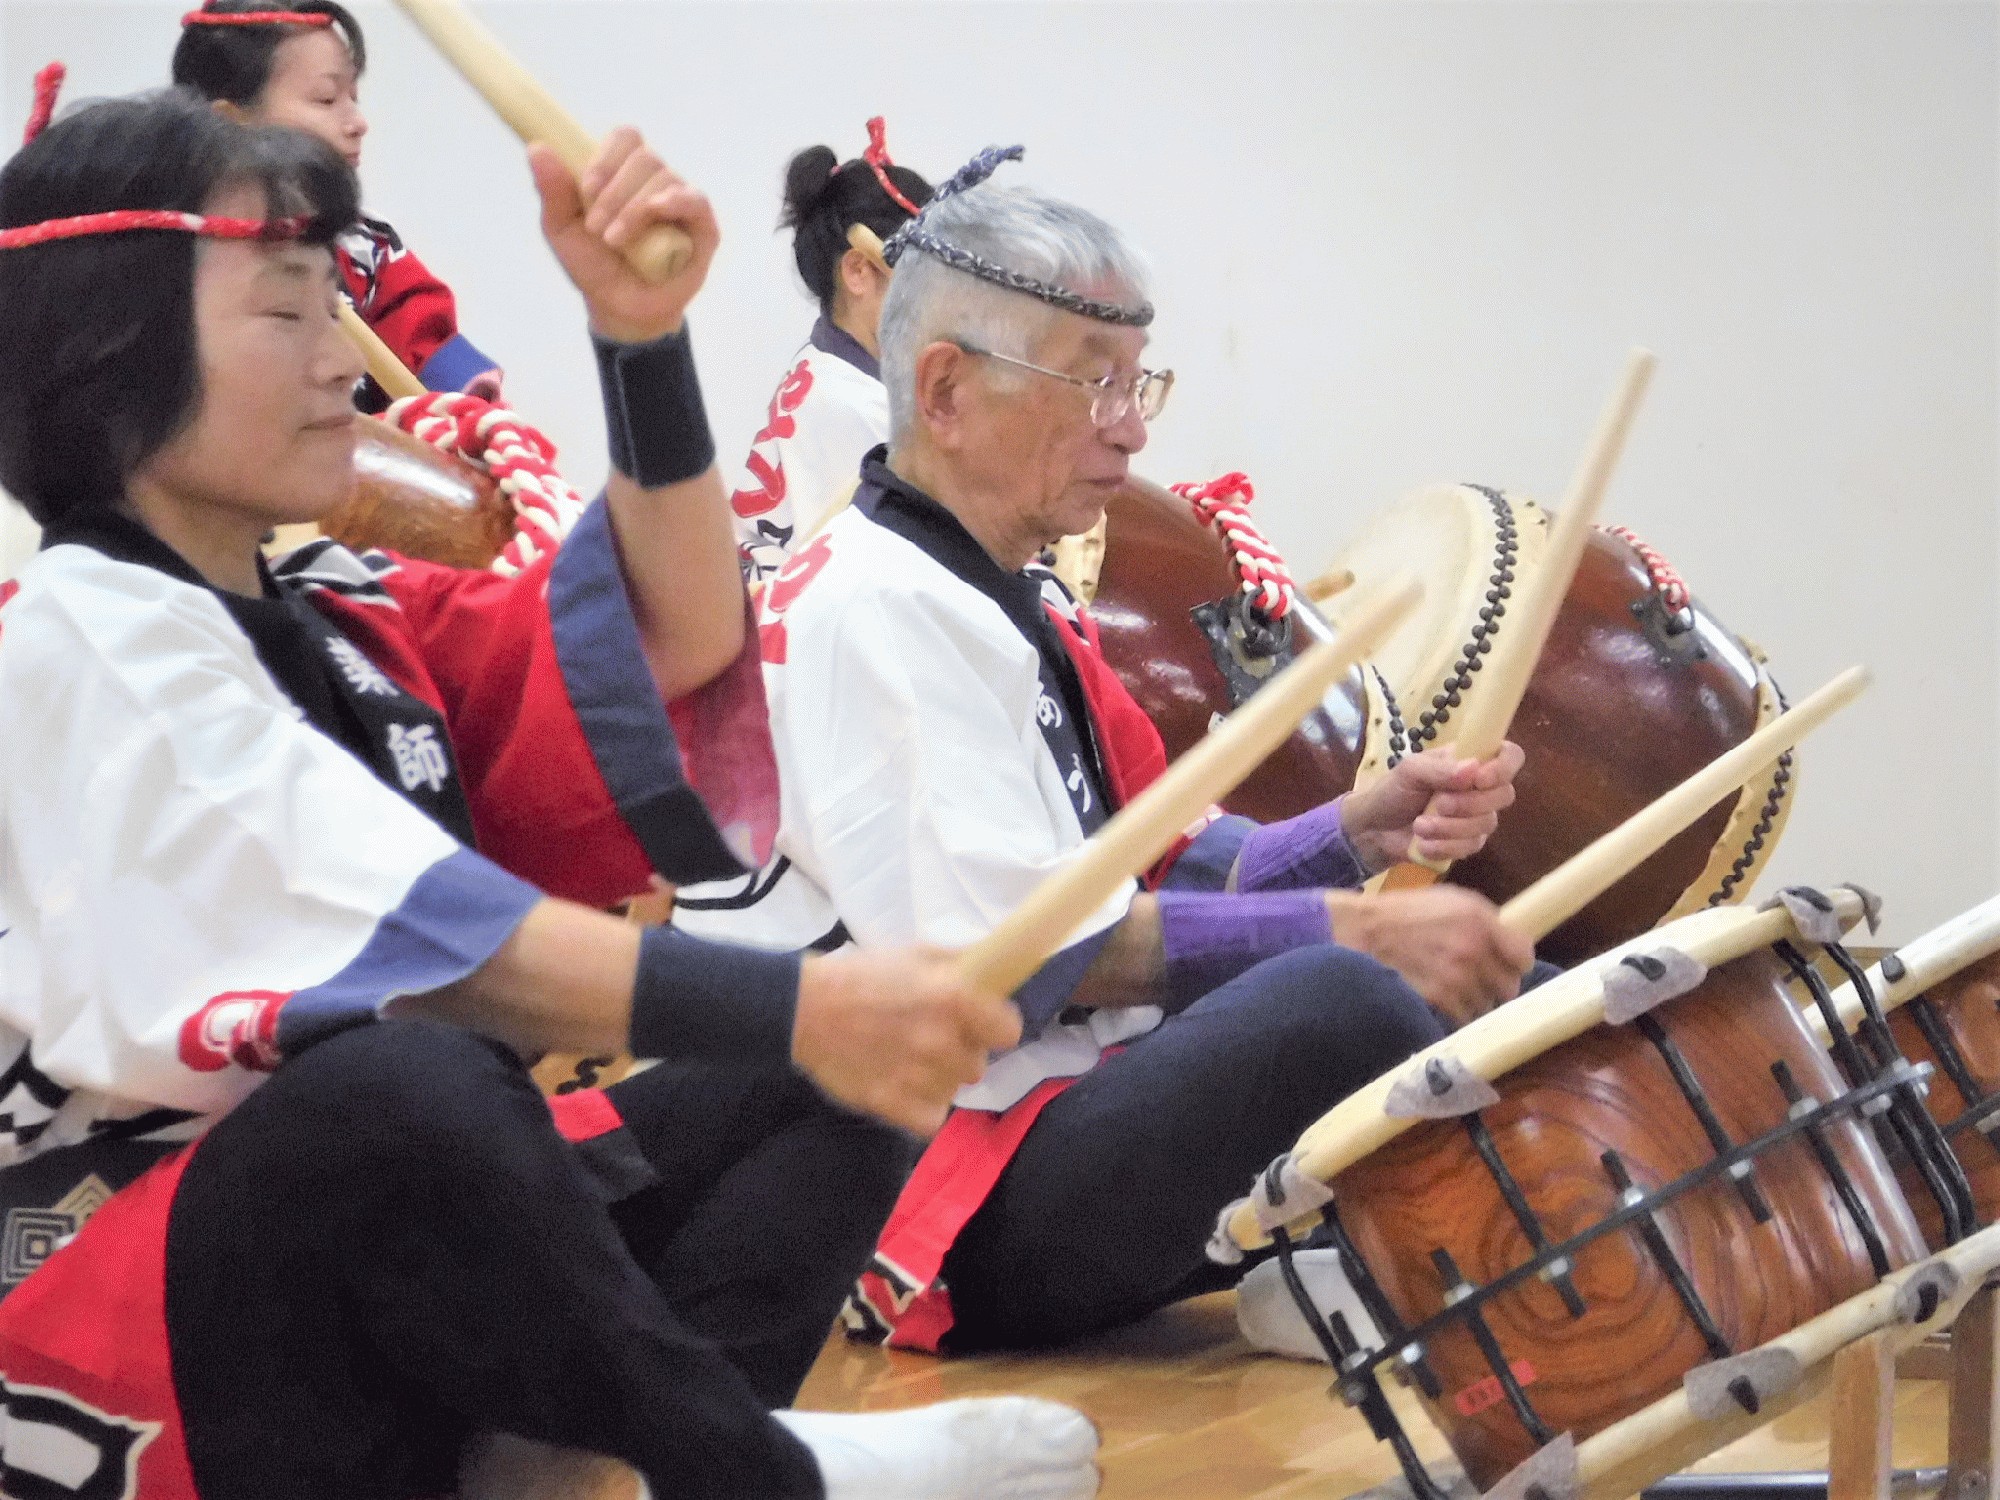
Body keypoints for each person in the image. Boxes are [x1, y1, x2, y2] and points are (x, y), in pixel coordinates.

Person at [0, 91, 1100, 1500]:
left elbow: (674, 638)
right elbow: (431, 945)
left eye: (335, 306)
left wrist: (640, 338)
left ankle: (603, 1466)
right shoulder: (73, 632)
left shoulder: (343, 618)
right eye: (285, 315)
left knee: (815, 1082)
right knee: (409, 1076)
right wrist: (814, 1003)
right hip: (121, 1297)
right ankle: (737, 1468)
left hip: (387, 1250)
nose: (345, 361)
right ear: (110, 349)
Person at [673, 149, 1537, 1357]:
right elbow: (1022, 959)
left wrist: (1358, 831)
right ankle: (1513, 1263)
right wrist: (1348, 928)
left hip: (1064, 1109)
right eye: (1093, 384)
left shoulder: (1003, 589)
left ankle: (1613, 1210)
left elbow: (1160, 860)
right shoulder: (871, 609)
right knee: (1345, 992)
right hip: (945, 1194)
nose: (1131, 432)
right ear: (944, 389)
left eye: (1142, 384)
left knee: (1521, 982)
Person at [174, 0, 503, 404]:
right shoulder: (177, 255)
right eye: (327, 100)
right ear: (230, 119)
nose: (357, 123)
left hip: (369, 454)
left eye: (354, 97)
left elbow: (425, 336)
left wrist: (469, 407)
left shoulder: (366, 243)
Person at [731, 119, 931, 582]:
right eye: (925, 271)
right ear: (860, 270)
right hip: (785, 640)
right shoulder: (857, 407)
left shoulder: (828, 368)